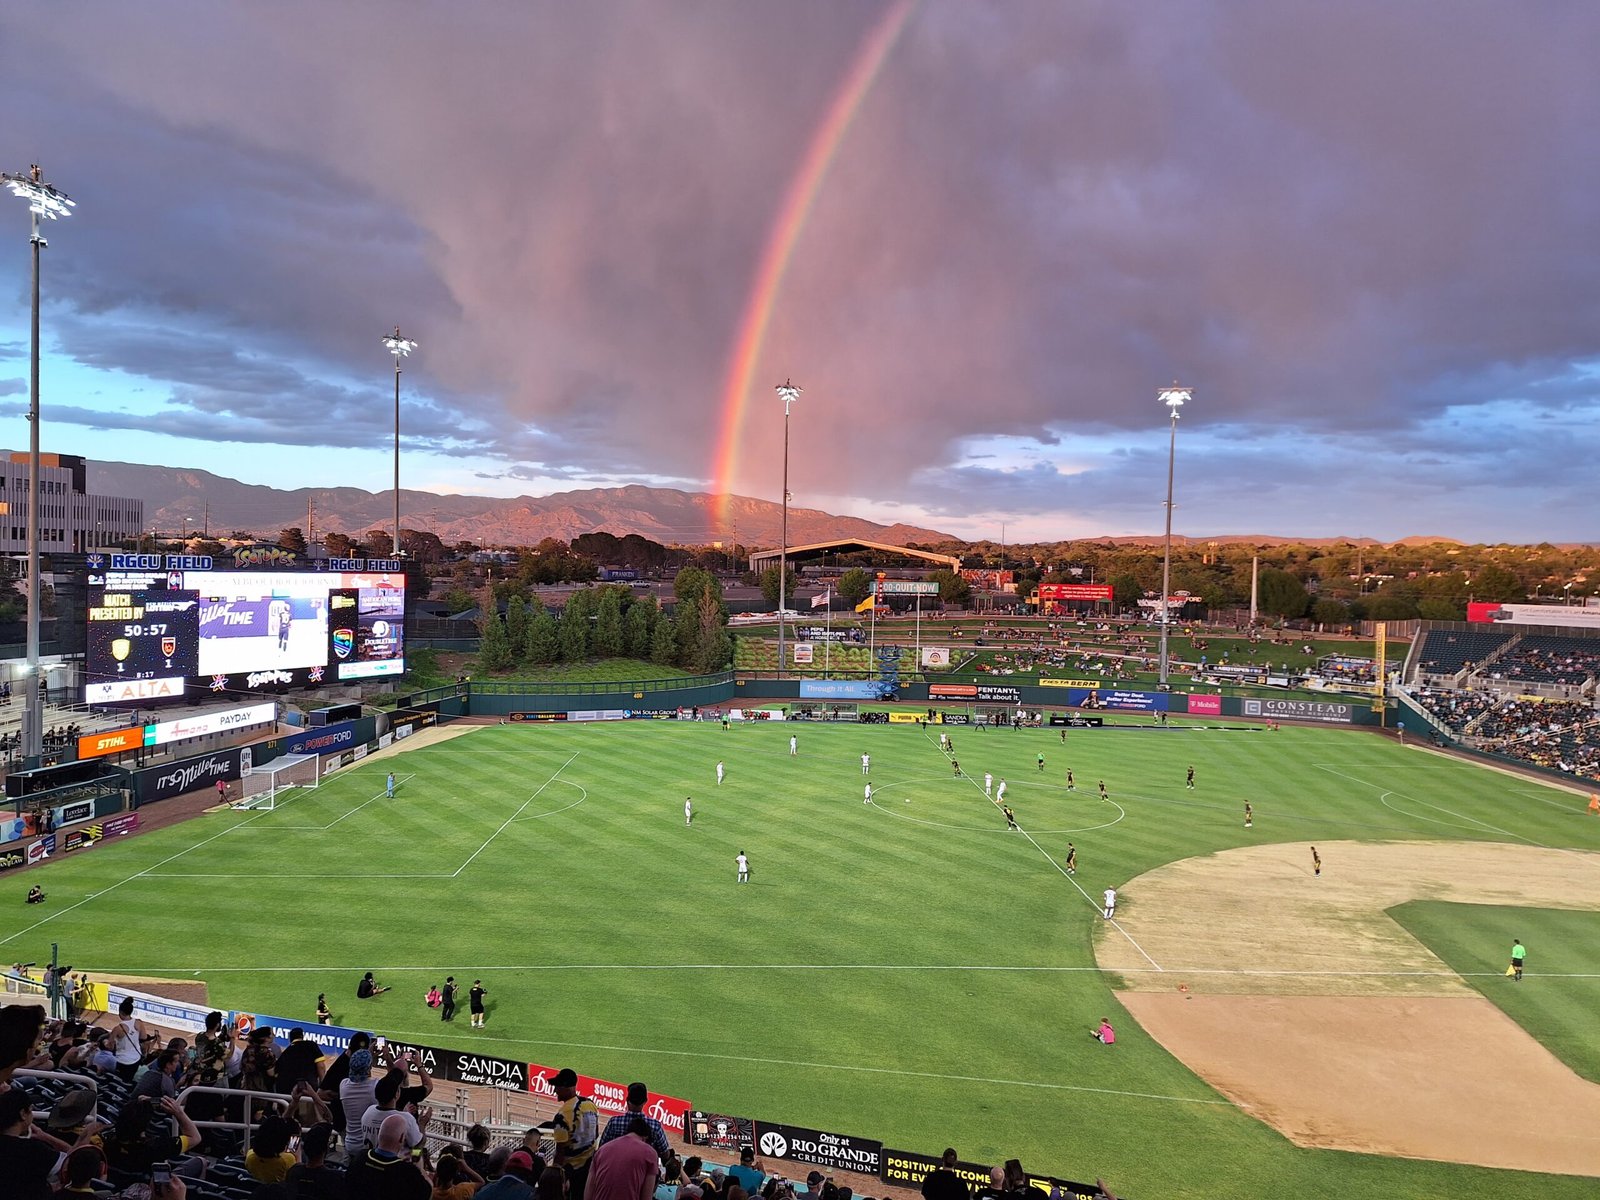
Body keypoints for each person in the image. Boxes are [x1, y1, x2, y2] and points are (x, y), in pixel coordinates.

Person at [346, 1111, 431, 1200]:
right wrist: (419, 1168)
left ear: (379, 1135)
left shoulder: (359, 1158)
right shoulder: (407, 1171)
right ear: (402, 1138)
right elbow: (427, 1191)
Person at [548, 1067, 600, 1200]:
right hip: (590, 1168)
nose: (555, 1090)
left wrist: (555, 1175)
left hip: (571, 1173)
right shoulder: (590, 1104)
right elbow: (596, 1133)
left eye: (557, 1086)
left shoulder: (562, 1115)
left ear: (567, 1087)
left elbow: (560, 1152)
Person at [597, 1082, 671, 1164]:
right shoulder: (655, 1126)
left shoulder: (614, 1122)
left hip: (615, 1168)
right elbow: (665, 1154)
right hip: (644, 1172)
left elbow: (602, 1148)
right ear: (645, 1101)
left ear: (627, 1100)